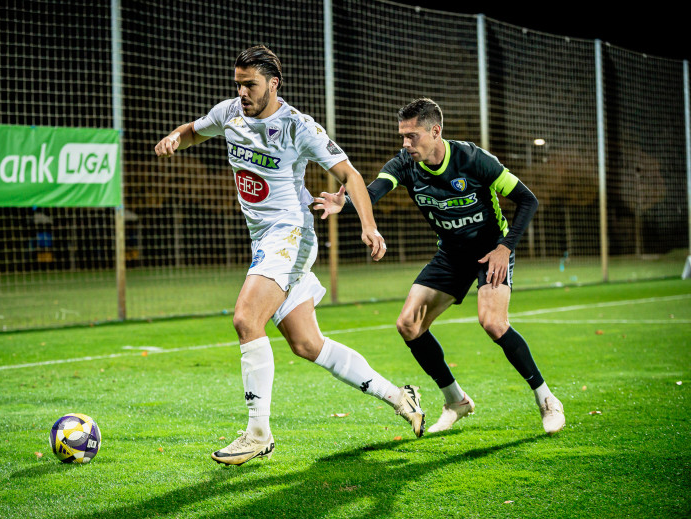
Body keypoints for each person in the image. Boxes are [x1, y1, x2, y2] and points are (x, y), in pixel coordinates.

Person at [154, 45, 425, 466]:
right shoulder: (229, 113)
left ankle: (257, 433)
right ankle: (400, 396)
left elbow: (349, 175)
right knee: (307, 344)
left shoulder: (298, 126)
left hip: (291, 235)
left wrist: (369, 225)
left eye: (250, 85)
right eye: (238, 84)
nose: (242, 92)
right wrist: (176, 137)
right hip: (263, 240)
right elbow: (194, 130)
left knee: (246, 318)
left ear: (273, 84)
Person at [314, 97, 565, 435]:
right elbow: (372, 193)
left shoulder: (472, 159)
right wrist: (345, 203)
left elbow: (527, 200)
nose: (406, 143)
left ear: (435, 132)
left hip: (491, 251)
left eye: (412, 136)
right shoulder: (404, 164)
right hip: (451, 255)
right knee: (408, 325)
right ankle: (456, 401)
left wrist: (505, 248)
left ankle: (547, 399)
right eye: (403, 136)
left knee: (493, 322)